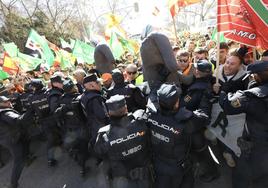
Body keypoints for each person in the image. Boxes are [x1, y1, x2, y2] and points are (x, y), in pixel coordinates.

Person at [147, 84, 208, 188]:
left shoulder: (150, 115)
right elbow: (204, 118)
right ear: (177, 103)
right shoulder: (186, 120)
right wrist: (205, 99)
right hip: (180, 168)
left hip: (158, 165)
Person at [219, 60, 268, 188]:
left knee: (243, 176)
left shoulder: (251, 96)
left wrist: (225, 91)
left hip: (257, 147)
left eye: (252, 76)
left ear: (257, 75)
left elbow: (227, 105)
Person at [95, 95, 151, 188]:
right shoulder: (141, 121)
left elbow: (99, 153)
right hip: (144, 174)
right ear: (126, 108)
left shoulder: (103, 135)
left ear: (109, 113)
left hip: (122, 179)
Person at [181, 59, 219, 182]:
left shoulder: (197, 88)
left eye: (196, 68)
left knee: (201, 150)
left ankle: (211, 172)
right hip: (199, 123)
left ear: (197, 72)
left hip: (195, 124)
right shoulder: (210, 82)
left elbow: (186, 103)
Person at [54, 79, 89, 176]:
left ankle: (78, 160)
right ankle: (83, 167)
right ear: (73, 88)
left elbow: (57, 113)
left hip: (69, 128)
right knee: (83, 147)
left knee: (76, 147)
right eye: (75, 86)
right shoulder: (79, 98)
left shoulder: (61, 99)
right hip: (81, 127)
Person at [0, 96, 33, 188]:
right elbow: (19, 120)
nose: (9, 102)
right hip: (12, 139)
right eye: (6, 102)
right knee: (18, 160)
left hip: (10, 137)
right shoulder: (5, 113)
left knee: (26, 141)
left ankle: (27, 159)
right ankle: (13, 183)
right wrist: (30, 110)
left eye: (9, 100)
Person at [80, 74, 109, 147]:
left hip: (92, 126)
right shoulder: (95, 98)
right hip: (100, 127)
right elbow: (102, 116)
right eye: (98, 83)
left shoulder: (84, 95)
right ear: (91, 85)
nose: (101, 84)